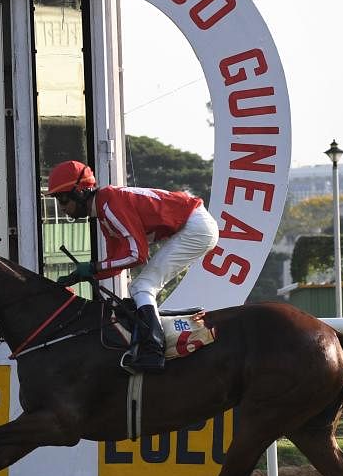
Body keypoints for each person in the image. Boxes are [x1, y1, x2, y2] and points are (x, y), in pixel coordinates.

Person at [47, 160, 219, 374]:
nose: (62, 208)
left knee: (141, 286)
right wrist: (81, 274)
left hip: (196, 227)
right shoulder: (103, 212)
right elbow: (116, 263)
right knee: (141, 286)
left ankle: (154, 348)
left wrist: (92, 267)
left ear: (81, 191)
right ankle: (154, 341)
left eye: (63, 199)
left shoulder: (109, 204)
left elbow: (137, 255)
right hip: (193, 226)